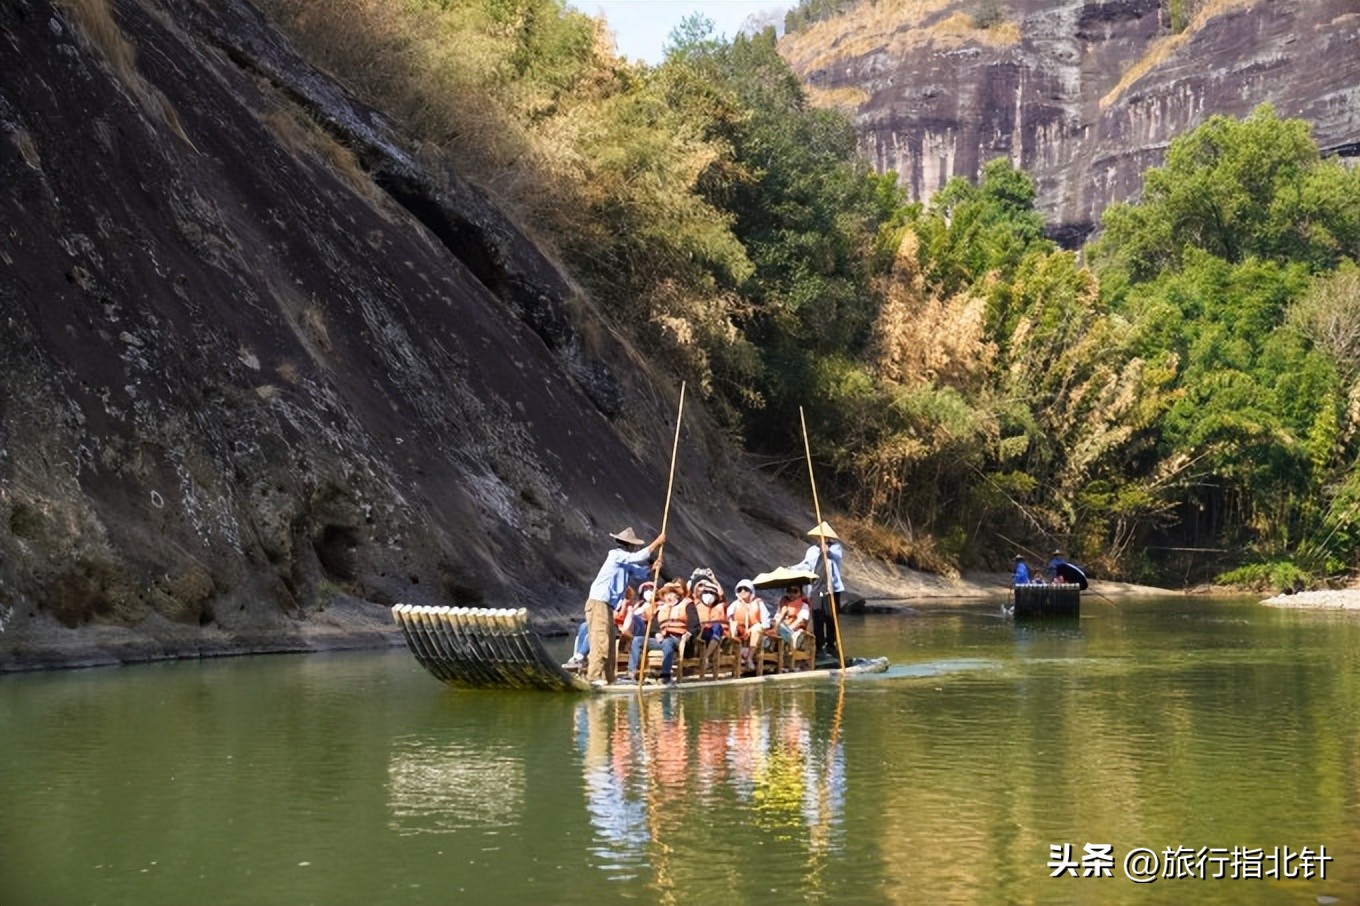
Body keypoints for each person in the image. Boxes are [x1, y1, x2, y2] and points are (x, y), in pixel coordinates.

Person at [585, 527, 664, 686]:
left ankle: (610, 678)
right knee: (601, 641)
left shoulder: (625, 561)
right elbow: (637, 557)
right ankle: (592, 678)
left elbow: (640, 572)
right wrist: (657, 542)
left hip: (608, 606)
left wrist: (652, 568)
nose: (634, 548)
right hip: (598, 602)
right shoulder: (616, 555)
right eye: (633, 545)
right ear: (628, 545)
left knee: (610, 645)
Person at [625, 581, 697, 684]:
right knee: (637, 640)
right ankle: (632, 671)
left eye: (671, 593)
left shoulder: (687, 605)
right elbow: (653, 627)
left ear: (677, 595)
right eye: (666, 594)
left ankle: (665, 675)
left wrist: (689, 634)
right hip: (662, 639)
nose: (668, 597)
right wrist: (657, 633)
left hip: (679, 639)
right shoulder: (661, 609)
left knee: (668, 643)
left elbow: (695, 624)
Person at [791, 521, 844, 656]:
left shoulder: (835, 548)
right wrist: (791, 569)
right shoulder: (812, 550)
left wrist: (826, 551)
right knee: (818, 617)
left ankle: (831, 645)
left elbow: (836, 559)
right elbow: (806, 565)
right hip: (815, 587)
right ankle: (820, 646)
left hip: (832, 589)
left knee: (831, 618)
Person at [728, 579, 770, 671]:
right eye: (740, 589)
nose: (743, 591)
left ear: (751, 591)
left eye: (745, 589)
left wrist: (759, 628)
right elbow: (729, 617)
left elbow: (765, 621)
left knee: (757, 628)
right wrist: (733, 625)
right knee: (732, 627)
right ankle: (737, 657)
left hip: (754, 630)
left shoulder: (759, 602)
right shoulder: (735, 604)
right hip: (740, 630)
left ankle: (749, 658)